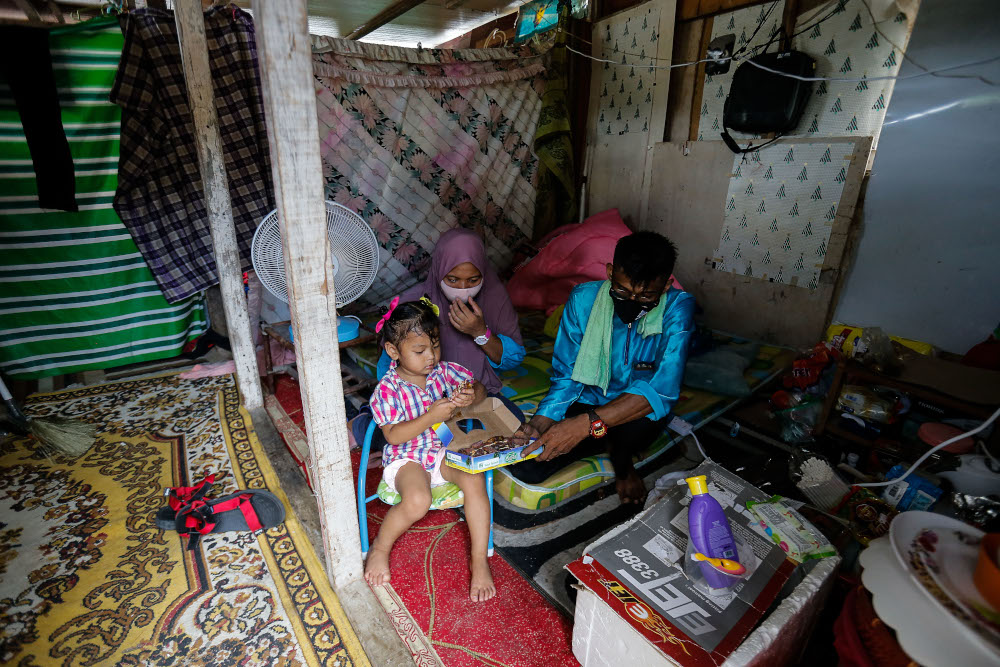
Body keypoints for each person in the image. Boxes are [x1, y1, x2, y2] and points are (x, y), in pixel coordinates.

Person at [511, 231, 695, 505]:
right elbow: (567, 376)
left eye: (646, 296)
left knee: (633, 432)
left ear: (665, 286)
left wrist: (584, 426)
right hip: (589, 400)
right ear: (610, 272)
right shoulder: (582, 299)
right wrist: (541, 421)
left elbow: (662, 391)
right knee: (528, 464)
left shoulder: (678, 308)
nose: (631, 302)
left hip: (639, 411)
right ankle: (606, 441)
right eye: (621, 291)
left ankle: (621, 464)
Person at [363, 298, 496, 601]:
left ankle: (479, 560)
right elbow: (394, 436)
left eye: (435, 346)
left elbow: (480, 389)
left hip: (443, 452)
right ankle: (380, 548)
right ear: (394, 352)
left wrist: (469, 394)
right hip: (407, 458)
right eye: (420, 351)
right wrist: (430, 418)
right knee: (418, 499)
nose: (431, 357)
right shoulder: (388, 389)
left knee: (475, 479)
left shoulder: (446, 373)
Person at [352, 227, 526, 448]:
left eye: (473, 280)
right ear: (439, 269)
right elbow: (389, 368)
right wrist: (416, 401)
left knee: (513, 427)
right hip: (416, 403)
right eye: (452, 279)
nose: (463, 289)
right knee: (395, 438)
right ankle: (362, 422)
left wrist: (480, 333)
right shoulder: (414, 304)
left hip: (473, 395)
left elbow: (514, 358)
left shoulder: (494, 297)